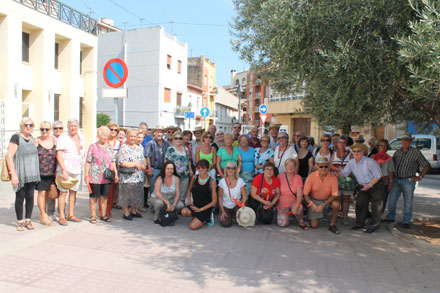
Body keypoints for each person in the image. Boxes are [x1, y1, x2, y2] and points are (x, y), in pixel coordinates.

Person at [384, 133, 429, 228]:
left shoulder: (416, 152)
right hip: (396, 179)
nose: (404, 142)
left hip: (408, 180)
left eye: (407, 141)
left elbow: (426, 165)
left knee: (408, 202)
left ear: (410, 142)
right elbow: (392, 165)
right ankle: (390, 217)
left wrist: (420, 176)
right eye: (403, 141)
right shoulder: (398, 152)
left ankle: (407, 221)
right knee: (392, 200)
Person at [339, 143, 382, 233]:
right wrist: (334, 174)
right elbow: (344, 173)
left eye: (359, 151)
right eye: (354, 151)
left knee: (376, 206)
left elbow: (378, 176)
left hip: (375, 184)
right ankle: (359, 224)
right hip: (362, 185)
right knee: (360, 204)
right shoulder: (351, 162)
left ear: (363, 152)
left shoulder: (370, 162)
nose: (356, 153)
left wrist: (370, 185)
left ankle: (374, 225)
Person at [6, 118, 40, 231]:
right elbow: (9, 157)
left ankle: (28, 220)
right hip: (20, 173)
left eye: (31, 125)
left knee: (30, 197)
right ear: (21, 125)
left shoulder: (33, 138)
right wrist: (13, 174)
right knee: (20, 197)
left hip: (31, 174)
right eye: (26, 125)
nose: (28, 127)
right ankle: (19, 221)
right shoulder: (16, 138)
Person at [84, 126, 118, 224]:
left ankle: (103, 215)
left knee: (104, 196)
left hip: (106, 176)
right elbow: (88, 161)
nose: (104, 137)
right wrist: (86, 175)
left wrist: (115, 173)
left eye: (106, 135)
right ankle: (92, 216)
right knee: (94, 196)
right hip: (94, 176)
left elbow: (113, 161)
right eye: (102, 135)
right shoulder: (92, 147)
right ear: (98, 135)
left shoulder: (109, 147)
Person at [56, 118, 84, 225]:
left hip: (77, 169)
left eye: (75, 126)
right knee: (63, 193)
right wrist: (64, 170)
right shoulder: (63, 137)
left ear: (78, 126)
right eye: (71, 126)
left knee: (73, 192)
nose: (73, 128)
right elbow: (59, 155)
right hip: (66, 169)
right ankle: (62, 216)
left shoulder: (80, 136)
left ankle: (71, 214)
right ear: (68, 127)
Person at [304, 157, 340, 234]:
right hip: (313, 200)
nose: (323, 168)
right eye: (321, 166)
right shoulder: (311, 176)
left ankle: (332, 225)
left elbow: (334, 195)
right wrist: (311, 204)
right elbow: (305, 194)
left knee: (336, 204)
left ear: (328, 167)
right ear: (317, 167)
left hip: (326, 200)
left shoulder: (333, 177)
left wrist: (323, 204)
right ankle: (317, 215)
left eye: (326, 166)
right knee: (314, 226)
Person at [117, 129, 146, 221]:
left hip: (138, 176)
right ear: (127, 137)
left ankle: (133, 210)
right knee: (126, 195)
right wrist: (135, 164)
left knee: (136, 194)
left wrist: (144, 164)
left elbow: (143, 158)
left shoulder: (138, 147)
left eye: (134, 136)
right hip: (127, 177)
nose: (133, 138)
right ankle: (126, 212)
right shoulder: (124, 148)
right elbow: (121, 162)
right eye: (131, 136)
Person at [181, 160, 217, 230]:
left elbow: (214, 201)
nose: (201, 169)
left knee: (192, 227)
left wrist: (200, 209)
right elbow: (189, 190)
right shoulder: (194, 178)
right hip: (195, 205)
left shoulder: (212, 182)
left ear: (207, 168)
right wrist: (189, 202)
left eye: (203, 167)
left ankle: (207, 217)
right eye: (199, 167)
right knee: (184, 212)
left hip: (205, 208)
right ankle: (196, 217)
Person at [36, 121, 57, 226]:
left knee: (48, 195)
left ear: (50, 130)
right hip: (40, 172)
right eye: (42, 129)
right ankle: (42, 214)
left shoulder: (54, 140)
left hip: (51, 172)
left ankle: (46, 213)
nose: (44, 131)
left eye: (46, 129)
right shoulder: (36, 141)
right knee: (41, 193)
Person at [330, 136, 354, 226]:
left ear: (346, 144)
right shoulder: (334, 154)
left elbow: (352, 165)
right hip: (336, 180)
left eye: (343, 142)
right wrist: (337, 168)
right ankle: (335, 217)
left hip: (347, 180)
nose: (341, 144)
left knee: (346, 199)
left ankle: (344, 218)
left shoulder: (350, 154)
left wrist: (344, 168)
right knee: (337, 199)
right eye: (340, 142)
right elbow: (330, 165)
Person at [277, 159, 307, 229]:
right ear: (285, 166)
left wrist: (297, 205)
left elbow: (299, 194)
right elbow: (277, 192)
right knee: (283, 224)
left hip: (293, 201)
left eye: (293, 166)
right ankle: (286, 216)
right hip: (282, 202)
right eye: (289, 165)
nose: (290, 168)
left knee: (299, 208)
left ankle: (300, 219)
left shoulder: (298, 177)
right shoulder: (280, 176)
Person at [165, 131, 193, 203]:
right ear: (173, 139)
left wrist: (190, 170)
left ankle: (180, 208)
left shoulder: (186, 149)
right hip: (174, 176)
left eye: (180, 138)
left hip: (185, 175)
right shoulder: (170, 149)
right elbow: (166, 162)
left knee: (183, 193)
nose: (178, 140)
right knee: (173, 193)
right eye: (176, 138)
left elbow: (188, 160)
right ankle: (172, 208)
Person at [218, 161, 247, 227]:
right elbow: (219, 197)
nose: (230, 170)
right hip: (226, 206)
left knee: (243, 221)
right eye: (228, 168)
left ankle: (235, 215)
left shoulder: (240, 180)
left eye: (233, 168)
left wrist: (243, 203)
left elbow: (244, 195)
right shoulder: (222, 182)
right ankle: (230, 215)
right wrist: (222, 210)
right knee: (226, 223)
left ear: (235, 170)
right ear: (226, 170)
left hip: (237, 204)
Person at [145, 126, 170, 195]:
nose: (159, 134)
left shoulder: (166, 144)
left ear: (163, 134)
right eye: (157, 132)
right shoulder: (150, 143)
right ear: (154, 133)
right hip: (154, 169)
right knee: (153, 189)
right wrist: (149, 169)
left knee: (163, 188)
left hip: (164, 170)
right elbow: (147, 157)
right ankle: (153, 205)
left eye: (161, 132)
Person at [372, 139, 394, 213]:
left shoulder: (389, 158)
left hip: (384, 179)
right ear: (378, 146)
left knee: (382, 200)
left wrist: (390, 183)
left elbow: (390, 171)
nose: (383, 147)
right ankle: (373, 216)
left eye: (385, 146)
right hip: (374, 180)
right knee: (374, 199)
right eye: (381, 145)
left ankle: (379, 217)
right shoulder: (373, 157)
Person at [47, 121, 63, 221]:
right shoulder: (50, 139)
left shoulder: (65, 138)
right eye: (56, 128)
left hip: (62, 169)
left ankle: (62, 212)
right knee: (52, 191)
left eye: (60, 128)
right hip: (51, 169)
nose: (58, 130)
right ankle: (50, 212)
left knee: (63, 191)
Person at [105, 122, 121, 217]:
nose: (113, 131)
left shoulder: (119, 144)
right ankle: (102, 210)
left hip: (114, 169)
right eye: (111, 129)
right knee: (103, 192)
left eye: (116, 130)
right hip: (104, 168)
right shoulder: (104, 141)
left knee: (111, 191)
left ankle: (108, 210)